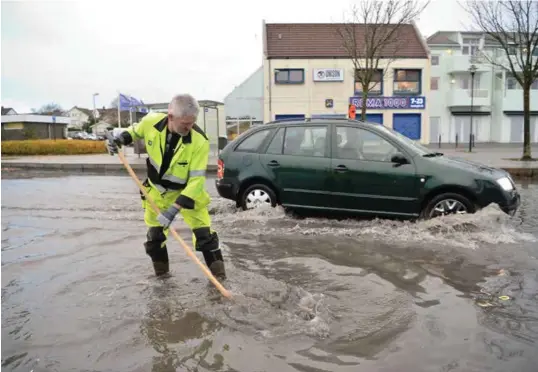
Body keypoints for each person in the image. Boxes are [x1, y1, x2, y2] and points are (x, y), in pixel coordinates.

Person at [105, 94, 226, 280]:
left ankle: (220, 281)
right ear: (170, 116)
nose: (189, 127)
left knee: (205, 238)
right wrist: (118, 140)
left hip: (188, 194)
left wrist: (174, 210)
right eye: (185, 123)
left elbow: (196, 182)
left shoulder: (199, 140)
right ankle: (162, 281)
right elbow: (134, 131)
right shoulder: (151, 122)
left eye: (192, 123)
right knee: (155, 239)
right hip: (156, 193)